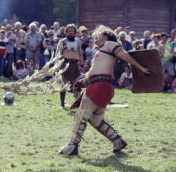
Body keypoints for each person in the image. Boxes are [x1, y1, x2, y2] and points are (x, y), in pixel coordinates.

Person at [58, 25, 150, 156]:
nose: (96, 36)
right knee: (96, 120)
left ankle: (72, 146)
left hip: (100, 85)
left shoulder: (109, 44)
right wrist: (80, 83)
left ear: (106, 36)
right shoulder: (102, 50)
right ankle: (117, 141)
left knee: (81, 115)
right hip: (100, 85)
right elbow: (95, 73)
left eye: (99, 34)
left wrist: (140, 67)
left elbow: (125, 56)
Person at [56, 24, 83, 108]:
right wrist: (58, 66)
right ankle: (62, 103)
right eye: (69, 31)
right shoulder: (62, 41)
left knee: (76, 84)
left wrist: (81, 65)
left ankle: (77, 102)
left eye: (72, 31)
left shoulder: (78, 42)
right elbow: (58, 54)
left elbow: (80, 53)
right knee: (64, 84)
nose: (70, 32)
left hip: (75, 64)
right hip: (65, 64)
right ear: (66, 32)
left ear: (75, 32)